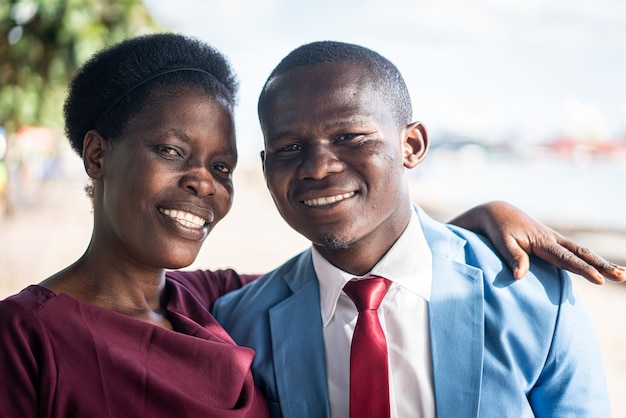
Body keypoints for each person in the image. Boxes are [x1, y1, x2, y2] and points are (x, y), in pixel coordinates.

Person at [212, 41, 614, 417]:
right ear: (266, 166)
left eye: (349, 137)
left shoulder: (533, 295)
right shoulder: (239, 322)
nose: (318, 167)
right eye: (290, 148)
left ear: (412, 146)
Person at [0, 33, 269, 417]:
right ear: (97, 156)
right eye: (172, 151)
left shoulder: (204, 297)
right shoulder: (23, 336)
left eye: (221, 167)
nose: (204, 182)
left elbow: (333, 279)